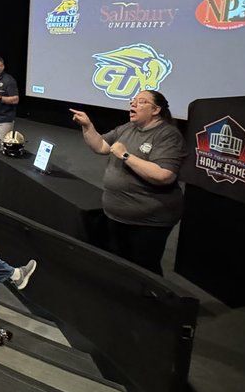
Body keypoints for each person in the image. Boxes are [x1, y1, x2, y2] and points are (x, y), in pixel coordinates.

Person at [71, 90, 186, 274]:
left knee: (144, 270)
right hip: (117, 215)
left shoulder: (167, 135)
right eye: (133, 101)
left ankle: (148, 302)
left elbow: (165, 175)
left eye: (141, 102)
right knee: (121, 263)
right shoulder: (128, 128)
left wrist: (126, 155)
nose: (133, 104)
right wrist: (87, 126)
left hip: (148, 220)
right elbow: (101, 146)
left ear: (155, 110)